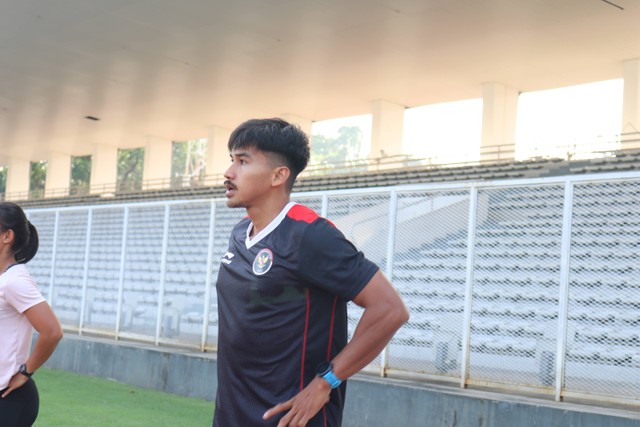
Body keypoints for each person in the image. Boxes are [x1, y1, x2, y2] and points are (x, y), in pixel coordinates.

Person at [213, 118, 409, 426]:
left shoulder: (309, 235)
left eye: (243, 161)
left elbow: (390, 309)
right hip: (232, 415)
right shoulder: (240, 233)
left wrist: (326, 381)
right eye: (231, 160)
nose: (228, 172)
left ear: (279, 175)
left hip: (293, 418)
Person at [0, 202, 63, 427]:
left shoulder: (15, 281)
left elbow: (52, 332)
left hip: (10, 398)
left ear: (7, 236)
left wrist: (25, 372)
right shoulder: (4, 280)